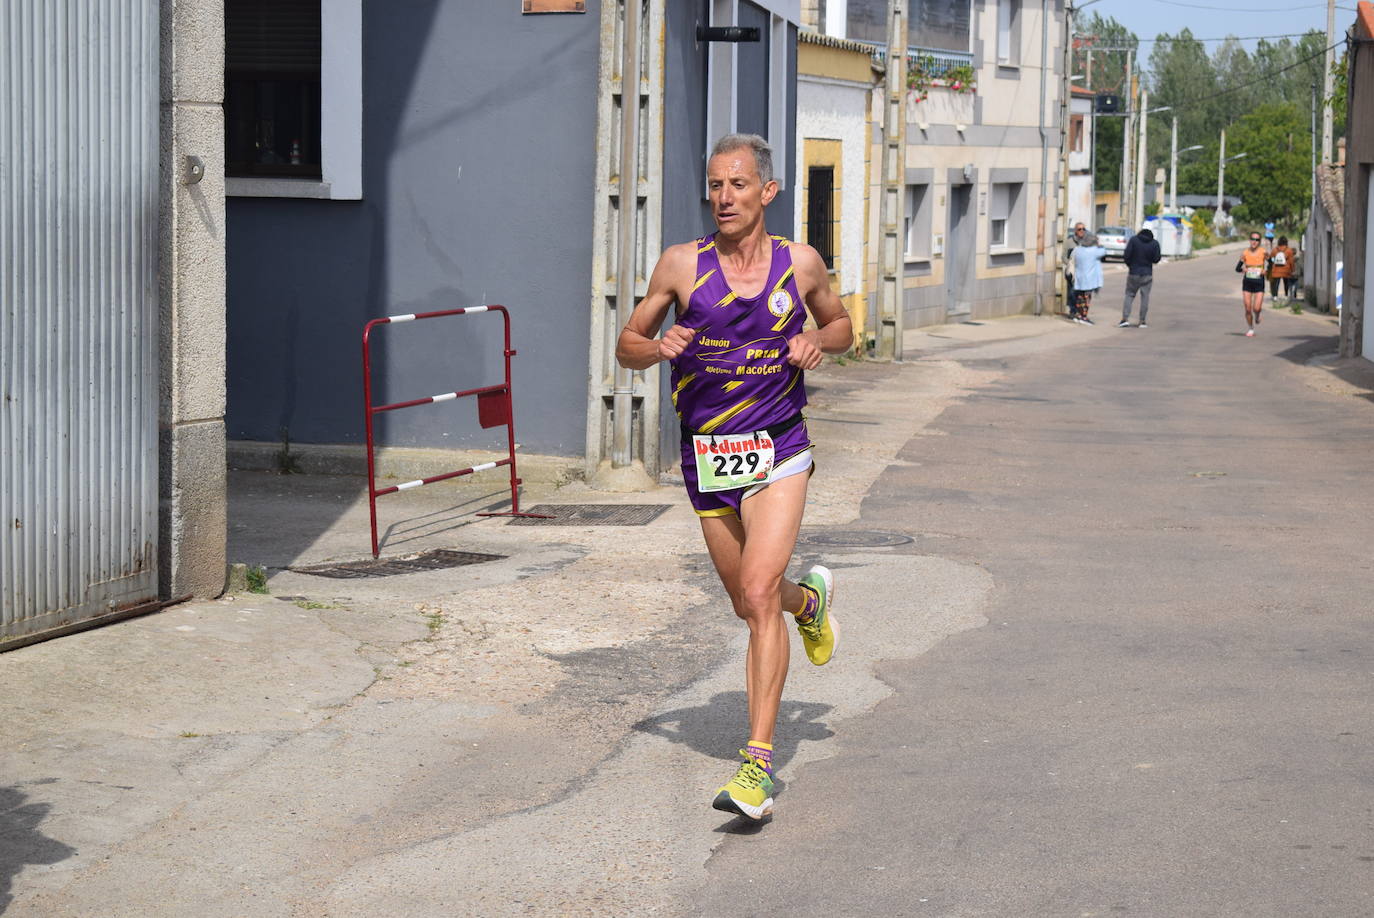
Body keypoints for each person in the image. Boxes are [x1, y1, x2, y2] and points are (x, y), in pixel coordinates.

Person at [615, 133, 851, 821]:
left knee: (753, 590)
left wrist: (816, 341)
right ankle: (806, 606)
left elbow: (841, 326)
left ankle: (756, 767)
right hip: (709, 455)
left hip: (779, 448)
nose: (723, 197)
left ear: (767, 192)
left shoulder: (799, 264)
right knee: (752, 601)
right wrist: (658, 347)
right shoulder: (681, 266)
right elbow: (628, 343)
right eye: (715, 186)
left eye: (738, 185)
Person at [1119, 227, 1162, 328]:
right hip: (1147, 273)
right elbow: (1156, 259)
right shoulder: (1154, 243)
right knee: (1145, 297)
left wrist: (1130, 265)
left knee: (1129, 295)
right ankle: (1142, 321)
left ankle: (1125, 319)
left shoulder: (1134, 240)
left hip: (1134, 272)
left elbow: (1127, 255)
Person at [1070, 232, 1106, 324]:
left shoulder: (1077, 250)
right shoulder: (1093, 251)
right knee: (1086, 299)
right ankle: (1084, 316)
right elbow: (1103, 251)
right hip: (1089, 280)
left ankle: (1078, 315)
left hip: (1079, 278)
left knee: (1079, 297)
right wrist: (1100, 244)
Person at [1237, 232, 1267, 335]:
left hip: (1259, 282)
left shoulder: (1263, 252)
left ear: (1260, 242)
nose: (1254, 241)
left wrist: (1266, 271)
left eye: (1257, 240)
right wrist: (1243, 269)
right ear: (1249, 240)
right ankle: (1250, 328)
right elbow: (1237, 268)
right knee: (1248, 308)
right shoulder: (1245, 253)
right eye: (1253, 239)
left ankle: (1257, 316)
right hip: (1247, 283)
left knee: (1256, 308)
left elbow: (1272, 263)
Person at [1063, 222, 1088, 314]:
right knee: (1072, 292)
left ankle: (1082, 312)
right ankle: (1073, 310)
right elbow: (1064, 257)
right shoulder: (1069, 242)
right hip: (1072, 272)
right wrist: (1070, 264)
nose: (1082, 231)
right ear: (1075, 231)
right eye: (1079, 229)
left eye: (1083, 229)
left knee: (1084, 293)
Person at [1268, 234, 1297, 303]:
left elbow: (1271, 259)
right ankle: (1286, 295)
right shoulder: (1289, 250)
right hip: (1286, 270)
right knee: (1286, 283)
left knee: (1276, 283)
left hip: (1276, 269)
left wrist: (1272, 266)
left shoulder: (1275, 250)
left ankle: (1275, 296)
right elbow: (1291, 261)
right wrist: (1292, 269)